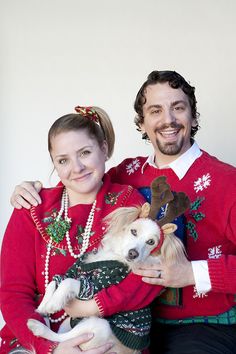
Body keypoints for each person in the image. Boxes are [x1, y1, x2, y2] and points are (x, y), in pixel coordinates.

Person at [7, 70, 236, 354]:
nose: (168, 120)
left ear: (193, 116)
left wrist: (192, 272)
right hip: (132, 323)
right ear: (142, 122)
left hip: (201, 325)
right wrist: (30, 192)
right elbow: (81, 179)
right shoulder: (126, 176)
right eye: (155, 110)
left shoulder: (227, 181)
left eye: (178, 107)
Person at [0, 106, 164, 354]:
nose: (76, 168)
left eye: (85, 152)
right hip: (36, 336)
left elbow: (149, 279)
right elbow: (13, 291)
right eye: (63, 160)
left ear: (104, 149)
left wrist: (95, 307)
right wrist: (51, 348)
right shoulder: (31, 207)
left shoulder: (129, 206)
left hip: (108, 335)